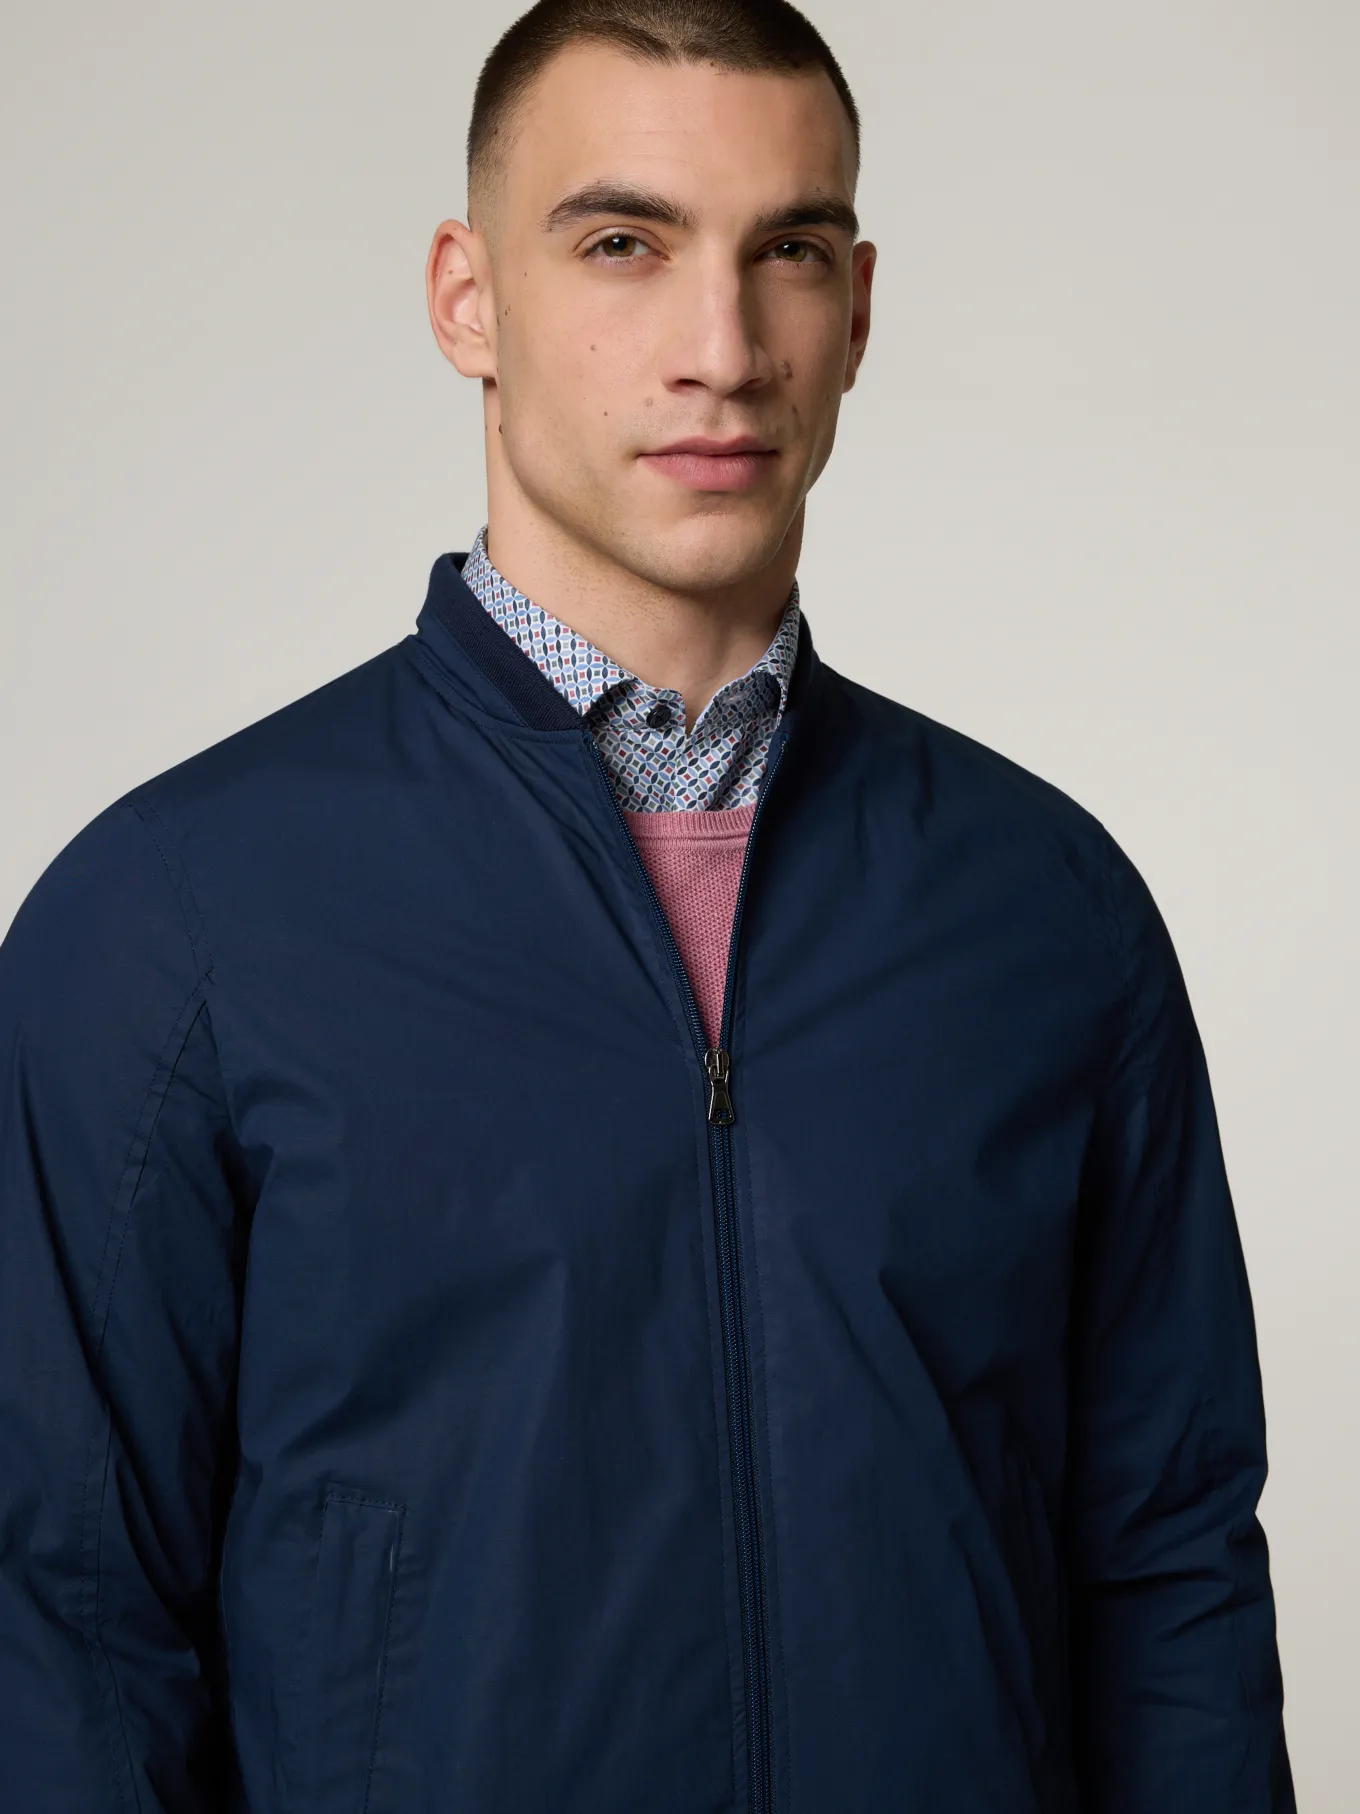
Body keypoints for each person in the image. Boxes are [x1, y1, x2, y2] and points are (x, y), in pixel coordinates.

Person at [0, 1, 1293, 1808]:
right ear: (467, 299)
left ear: (858, 310)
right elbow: (62, 1638)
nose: (723, 348)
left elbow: (1169, 1579)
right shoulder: (172, 922)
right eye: (623, 243)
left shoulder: (1051, 911)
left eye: (790, 252)